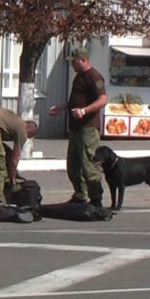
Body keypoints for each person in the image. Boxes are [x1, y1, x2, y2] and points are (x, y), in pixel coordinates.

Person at [49, 47, 108, 208]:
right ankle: (80, 194)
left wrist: (84, 111)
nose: (72, 65)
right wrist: (61, 107)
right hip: (75, 127)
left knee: (89, 163)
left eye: (73, 61)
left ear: (83, 60)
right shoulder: (78, 77)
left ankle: (96, 198)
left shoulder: (94, 76)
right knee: (73, 165)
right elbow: (75, 100)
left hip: (88, 127)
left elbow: (103, 99)